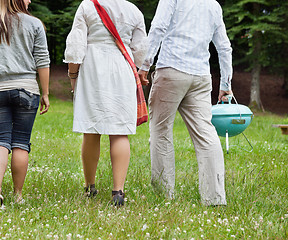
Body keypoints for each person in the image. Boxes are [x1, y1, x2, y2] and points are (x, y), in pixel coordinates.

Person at [138, 0, 233, 206]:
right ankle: (215, 198)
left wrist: (145, 64)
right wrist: (226, 82)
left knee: (161, 131)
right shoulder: (213, 5)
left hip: (171, 69)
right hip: (200, 76)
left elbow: (158, 27)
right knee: (206, 134)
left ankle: (164, 195)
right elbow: (224, 46)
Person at [64, 0, 147, 206]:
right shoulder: (133, 10)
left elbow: (76, 44)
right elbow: (141, 49)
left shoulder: (87, 5)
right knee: (119, 131)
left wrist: (73, 74)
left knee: (91, 130)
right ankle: (118, 191)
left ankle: (90, 186)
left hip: (93, 66)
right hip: (122, 66)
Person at [0, 0, 50, 207]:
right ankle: (18, 195)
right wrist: (45, 93)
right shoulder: (35, 24)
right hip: (26, 89)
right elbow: (42, 61)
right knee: (20, 143)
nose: (30, 0)